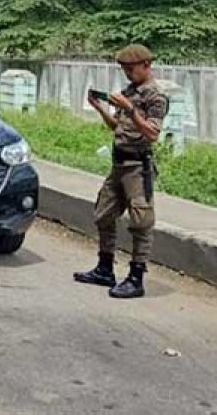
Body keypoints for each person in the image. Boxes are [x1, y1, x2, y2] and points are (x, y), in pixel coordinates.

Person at [73, 44, 169, 299]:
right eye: (124, 70)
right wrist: (99, 107)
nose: (127, 74)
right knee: (103, 213)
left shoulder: (155, 96)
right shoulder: (130, 92)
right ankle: (105, 268)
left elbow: (152, 133)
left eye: (131, 69)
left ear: (146, 65)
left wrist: (130, 108)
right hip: (119, 164)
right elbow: (118, 126)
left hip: (138, 168)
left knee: (141, 221)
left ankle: (136, 277)